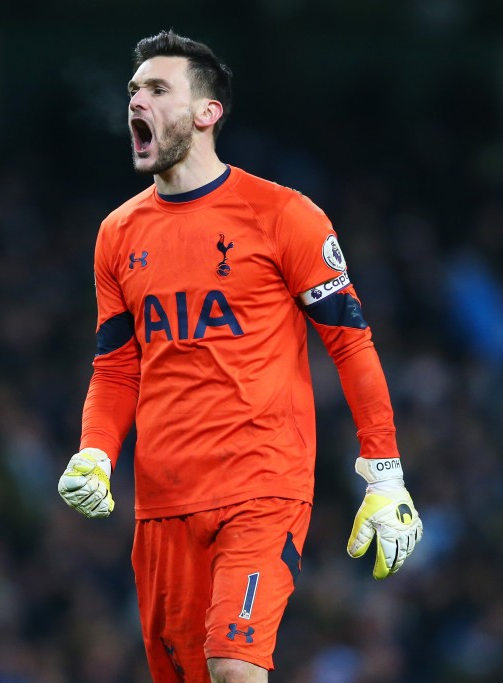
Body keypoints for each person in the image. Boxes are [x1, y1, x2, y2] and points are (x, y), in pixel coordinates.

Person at [57, 29, 423, 683]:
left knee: (233, 665)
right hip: (163, 499)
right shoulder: (117, 234)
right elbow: (115, 365)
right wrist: (96, 451)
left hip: (261, 486)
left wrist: (385, 473)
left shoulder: (284, 215)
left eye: (158, 89)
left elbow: (350, 341)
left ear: (207, 112)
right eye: (134, 89)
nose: (137, 100)